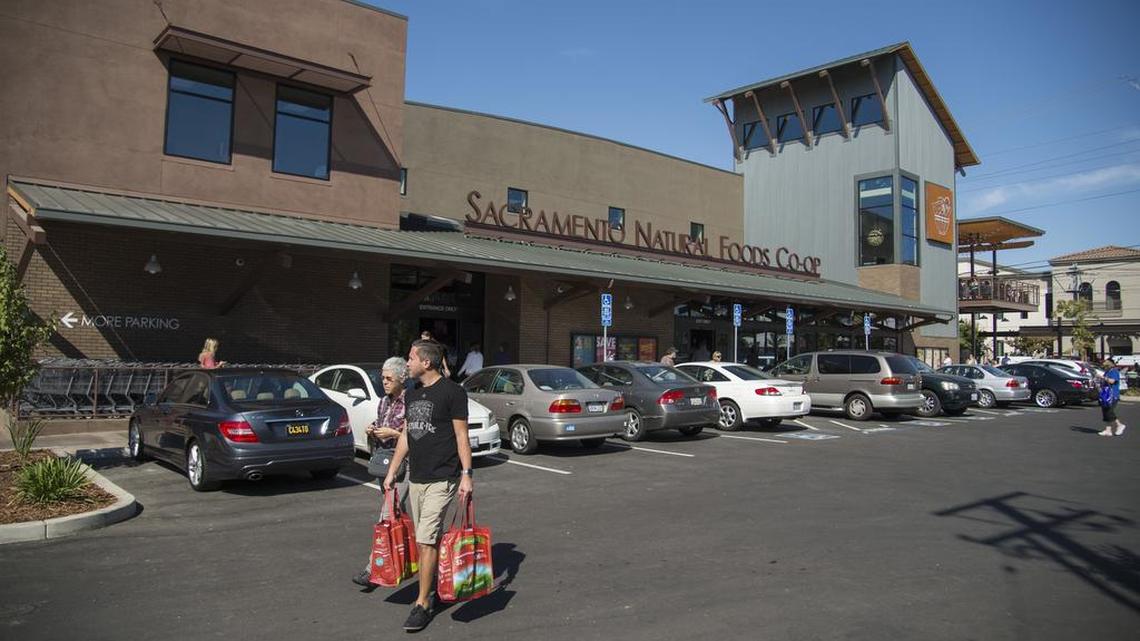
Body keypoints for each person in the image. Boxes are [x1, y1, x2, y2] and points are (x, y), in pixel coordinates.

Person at [383, 339, 473, 632]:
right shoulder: (411, 394)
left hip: (442, 478)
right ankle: (432, 584)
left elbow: (461, 436)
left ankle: (422, 602)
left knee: (425, 539)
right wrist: (393, 471)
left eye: (410, 358)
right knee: (428, 542)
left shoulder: (453, 392)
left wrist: (467, 475)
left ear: (427, 363)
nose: (406, 363)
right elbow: (407, 434)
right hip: (417, 477)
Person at [352, 356, 411, 588]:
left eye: (389, 378)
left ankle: (373, 569)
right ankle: (407, 558)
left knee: (387, 514)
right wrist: (373, 430)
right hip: (384, 462)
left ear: (401, 379)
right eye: (383, 378)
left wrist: (395, 435)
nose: (384, 382)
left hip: (404, 465)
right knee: (399, 512)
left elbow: (412, 434)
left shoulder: (411, 401)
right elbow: (382, 422)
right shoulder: (384, 402)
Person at [1098, 358, 1126, 437]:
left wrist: (1103, 378)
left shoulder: (1114, 371)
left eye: (1105, 362)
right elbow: (1104, 381)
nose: (1104, 364)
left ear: (1110, 363)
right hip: (1105, 395)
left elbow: (1112, 381)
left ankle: (1119, 425)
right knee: (1105, 411)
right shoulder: (1107, 371)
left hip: (1113, 395)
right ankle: (1108, 430)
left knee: (1109, 411)